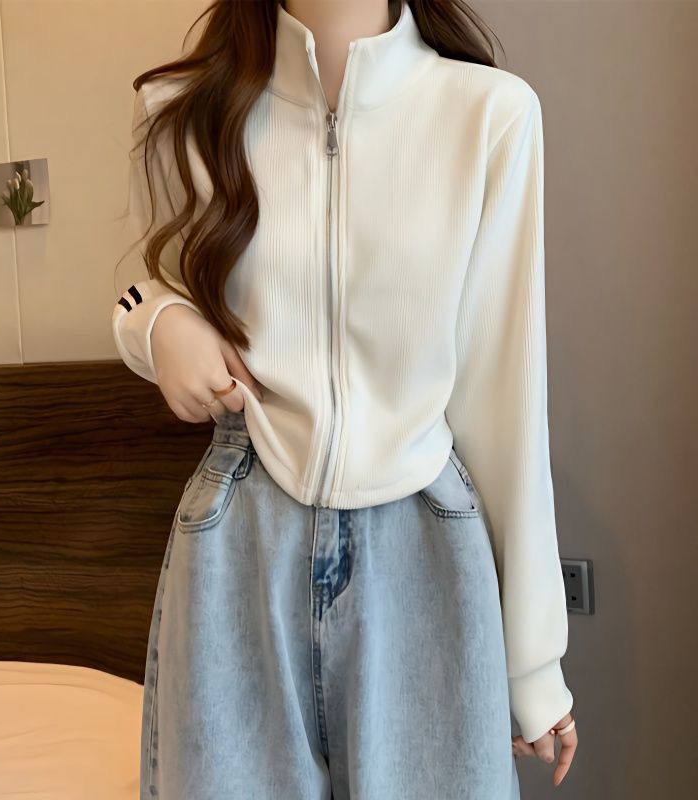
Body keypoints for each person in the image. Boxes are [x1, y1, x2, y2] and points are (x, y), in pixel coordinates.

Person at [112, 0, 578, 797]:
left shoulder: (490, 116)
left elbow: (507, 400)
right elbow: (136, 287)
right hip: (239, 541)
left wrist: (533, 662)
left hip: (424, 549)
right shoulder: (181, 112)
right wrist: (155, 325)